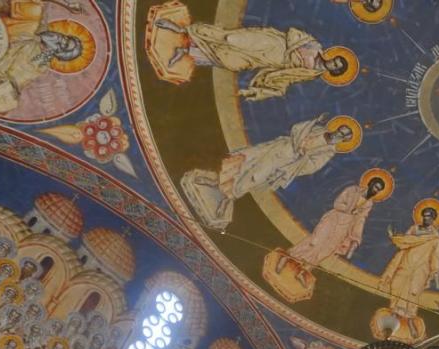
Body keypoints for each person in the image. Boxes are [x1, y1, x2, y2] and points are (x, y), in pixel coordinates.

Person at [185, 115, 353, 223]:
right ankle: (214, 182)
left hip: (285, 161)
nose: (337, 135)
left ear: (342, 140)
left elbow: (312, 166)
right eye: (339, 131)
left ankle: (223, 200)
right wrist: (310, 126)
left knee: (254, 176)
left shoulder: (328, 151)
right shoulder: (319, 128)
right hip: (279, 146)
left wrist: (300, 157)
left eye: (341, 136)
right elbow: (296, 128)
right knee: (244, 160)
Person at [153, 17, 351, 99]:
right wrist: (295, 50)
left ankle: (187, 51)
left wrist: (268, 90)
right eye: (336, 61)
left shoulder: (311, 74)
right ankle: (182, 29)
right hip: (272, 43)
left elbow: (287, 77)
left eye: (335, 67)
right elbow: (293, 33)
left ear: (334, 71)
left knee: (231, 61)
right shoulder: (315, 46)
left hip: (271, 60)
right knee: (230, 38)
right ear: (333, 56)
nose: (332, 64)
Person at [281, 176, 387, 286]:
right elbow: (337, 203)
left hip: (344, 228)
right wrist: (349, 210)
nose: (376, 191)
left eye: (378, 190)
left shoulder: (369, 204)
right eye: (376, 187)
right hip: (333, 219)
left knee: (326, 251)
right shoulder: (353, 190)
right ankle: (288, 257)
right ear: (370, 184)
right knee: (315, 242)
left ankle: (303, 271)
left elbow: (361, 220)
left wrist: (356, 239)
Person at [380, 207, 439, 319]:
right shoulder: (414, 229)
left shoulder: (435, 238)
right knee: (396, 284)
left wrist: (435, 270)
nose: (426, 218)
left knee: (413, 291)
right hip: (405, 263)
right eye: (425, 215)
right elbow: (405, 242)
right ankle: (393, 310)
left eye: (429, 216)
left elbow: (436, 256)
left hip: (421, 268)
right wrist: (396, 238)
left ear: (433, 219)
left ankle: (409, 317)